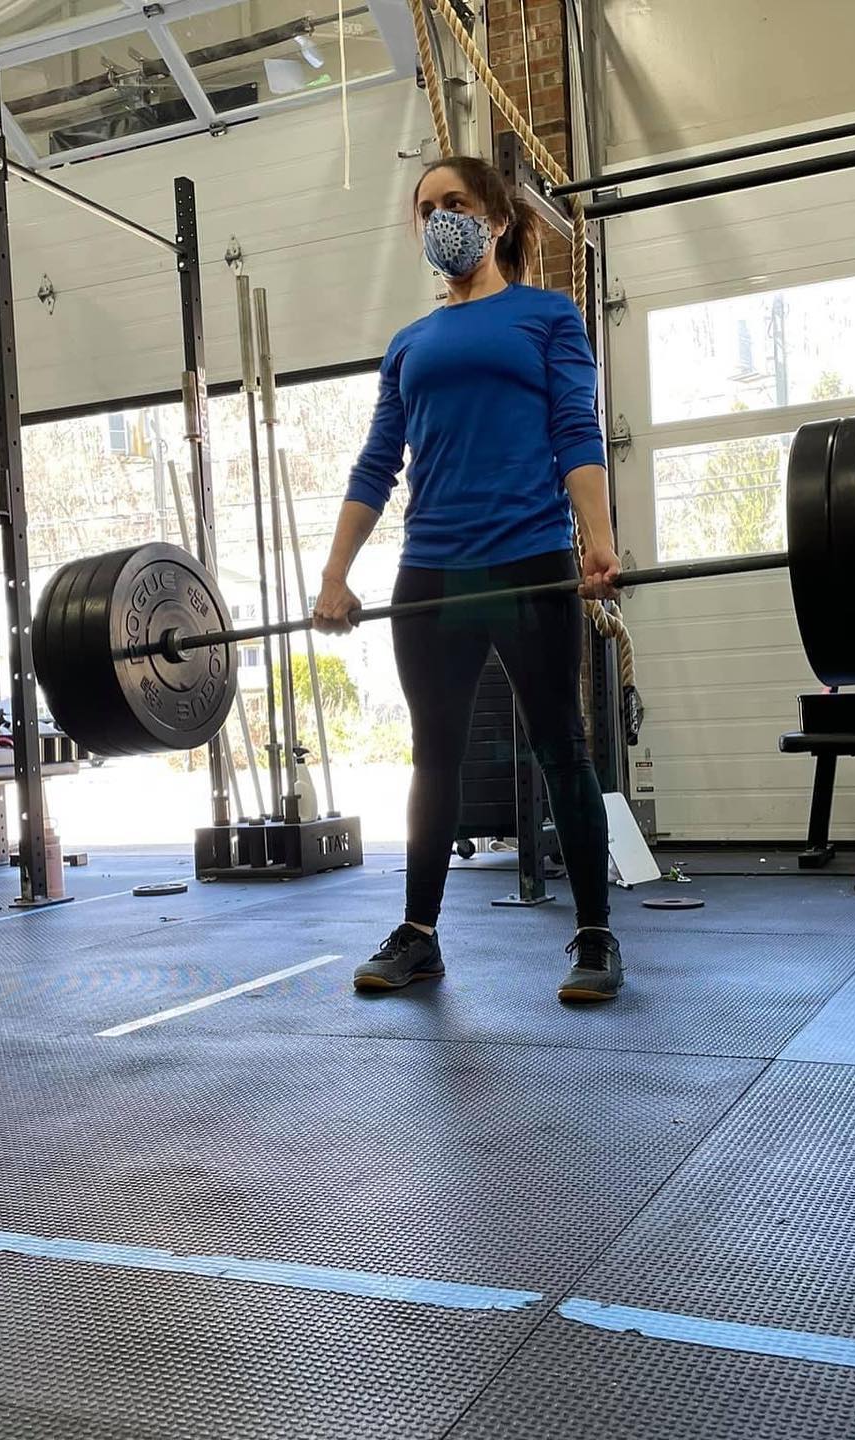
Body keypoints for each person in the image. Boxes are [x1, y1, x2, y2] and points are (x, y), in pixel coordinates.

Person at [312, 155, 624, 1004]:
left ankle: (595, 933)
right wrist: (335, 576)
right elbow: (377, 465)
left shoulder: (548, 317)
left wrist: (597, 543)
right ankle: (419, 935)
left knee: (561, 744)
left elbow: (576, 432)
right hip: (432, 571)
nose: (440, 218)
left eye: (455, 202)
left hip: (528, 560)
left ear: (495, 217)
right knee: (434, 755)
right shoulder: (408, 344)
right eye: (427, 209)